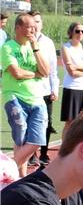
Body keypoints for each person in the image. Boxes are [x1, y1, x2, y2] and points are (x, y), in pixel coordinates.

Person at [2, 13, 50, 176]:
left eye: (34, 27)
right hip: (15, 97)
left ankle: (8, 169)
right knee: (21, 137)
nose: (33, 30)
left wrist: (35, 46)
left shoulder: (34, 46)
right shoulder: (8, 47)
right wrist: (35, 74)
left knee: (37, 141)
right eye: (29, 27)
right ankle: (19, 177)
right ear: (18, 28)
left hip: (37, 99)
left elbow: (46, 71)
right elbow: (16, 73)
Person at [29, 12, 59, 167]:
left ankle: (44, 153)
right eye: (33, 22)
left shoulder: (48, 42)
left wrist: (55, 88)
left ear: (42, 24)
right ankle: (31, 154)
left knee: (47, 122)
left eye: (38, 21)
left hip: (46, 89)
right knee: (30, 122)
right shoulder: (24, 41)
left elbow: (53, 68)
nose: (35, 25)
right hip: (29, 89)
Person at [60, 21, 83, 134]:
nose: (80, 33)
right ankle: (65, 150)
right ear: (71, 32)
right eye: (77, 31)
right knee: (70, 122)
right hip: (72, 88)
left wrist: (77, 67)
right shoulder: (66, 48)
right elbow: (72, 72)